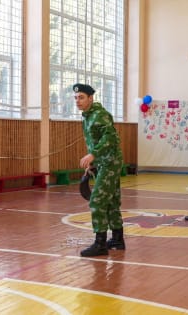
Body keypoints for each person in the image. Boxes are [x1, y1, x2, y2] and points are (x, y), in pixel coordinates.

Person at [73, 83, 125, 257]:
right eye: (76, 98)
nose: (77, 101)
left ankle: (100, 244)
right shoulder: (87, 116)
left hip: (110, 162)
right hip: (105, 161)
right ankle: (117, 239)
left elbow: (111, 138)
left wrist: (93, 155)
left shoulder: (99, 115)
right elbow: (96, 140)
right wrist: (93, 162)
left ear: (90, 98)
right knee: (111, 200)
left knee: (97, 200)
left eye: (81, 97)